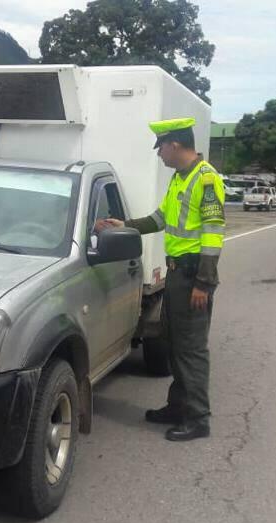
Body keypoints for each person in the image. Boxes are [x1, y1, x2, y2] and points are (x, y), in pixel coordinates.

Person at [95, 117, 226, 442]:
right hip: (177, 274)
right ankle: (177, 406)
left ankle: (197, 418)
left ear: (175, 145)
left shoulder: (206, 180)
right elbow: (161, 218)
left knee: (191, 349)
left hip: (194, 274)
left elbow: (213, 233)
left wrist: (204, 283)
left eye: (161, 148)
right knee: (176, 344)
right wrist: (123, 224)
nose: (159, 155)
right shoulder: (181, 178)